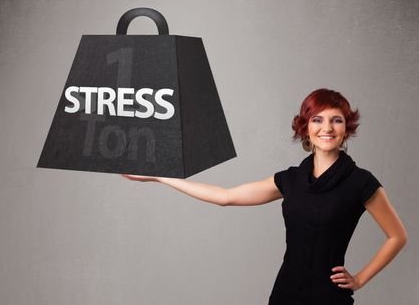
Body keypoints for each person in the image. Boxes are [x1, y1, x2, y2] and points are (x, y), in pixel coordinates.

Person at [122, 88, 408, 305]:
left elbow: (398, 236)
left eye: (337, 120)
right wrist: (161, 177)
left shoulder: (361, 182)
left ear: (347, 129)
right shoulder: (290, 179)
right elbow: (225, 196)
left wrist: (359, 279)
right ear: (306, 127)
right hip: (285, 292)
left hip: (328, 297)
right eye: (318, 119)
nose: (327, 128)